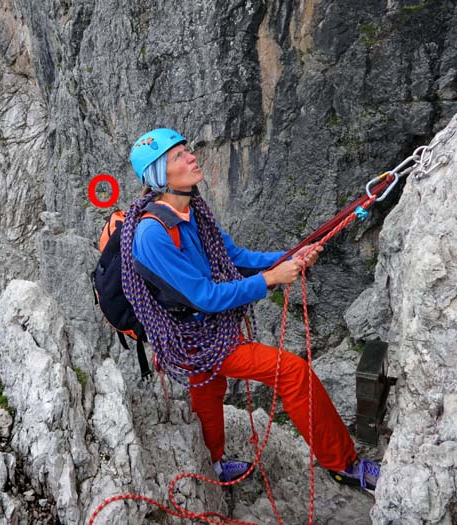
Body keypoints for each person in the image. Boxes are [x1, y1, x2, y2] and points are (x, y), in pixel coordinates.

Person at [122, 128, 380, 490]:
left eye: (187, 150)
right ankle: (343, 464)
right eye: (179, 155)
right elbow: (204, 297)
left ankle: (212, 464)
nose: (192, 156)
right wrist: (272, 278)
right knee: (293, 372)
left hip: (202, 330)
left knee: (208, 391)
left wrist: (290, 258)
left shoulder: (192, 210)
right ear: (159, 174)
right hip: (192, 334)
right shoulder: (152, 235)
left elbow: (237, 258)